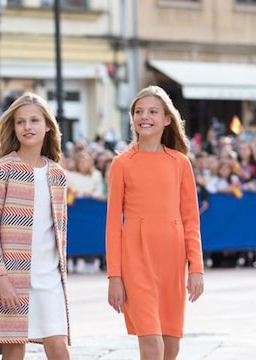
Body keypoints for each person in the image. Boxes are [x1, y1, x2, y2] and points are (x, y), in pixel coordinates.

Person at [105, 85, 204, 360]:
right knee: (151, 344)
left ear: (167, 119)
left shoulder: (181, 163)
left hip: (173, 261)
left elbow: (191, 220)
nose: (144, 117)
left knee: (171, 348)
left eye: (152, 111)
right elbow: (113, 224)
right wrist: (114, 276)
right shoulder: (122, 164)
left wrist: (196, 267)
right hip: (136, 260)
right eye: (138, 111)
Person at [0, 92, 71, 360]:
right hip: (12, 276)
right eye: (20, 122)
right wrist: (1, 277)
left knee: (59, 347)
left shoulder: (57, 174)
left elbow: (59, 232)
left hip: (50, 276)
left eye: (34, 120)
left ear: (48, 126)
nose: (27, 127)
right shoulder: (2, 168)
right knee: (13, 350)